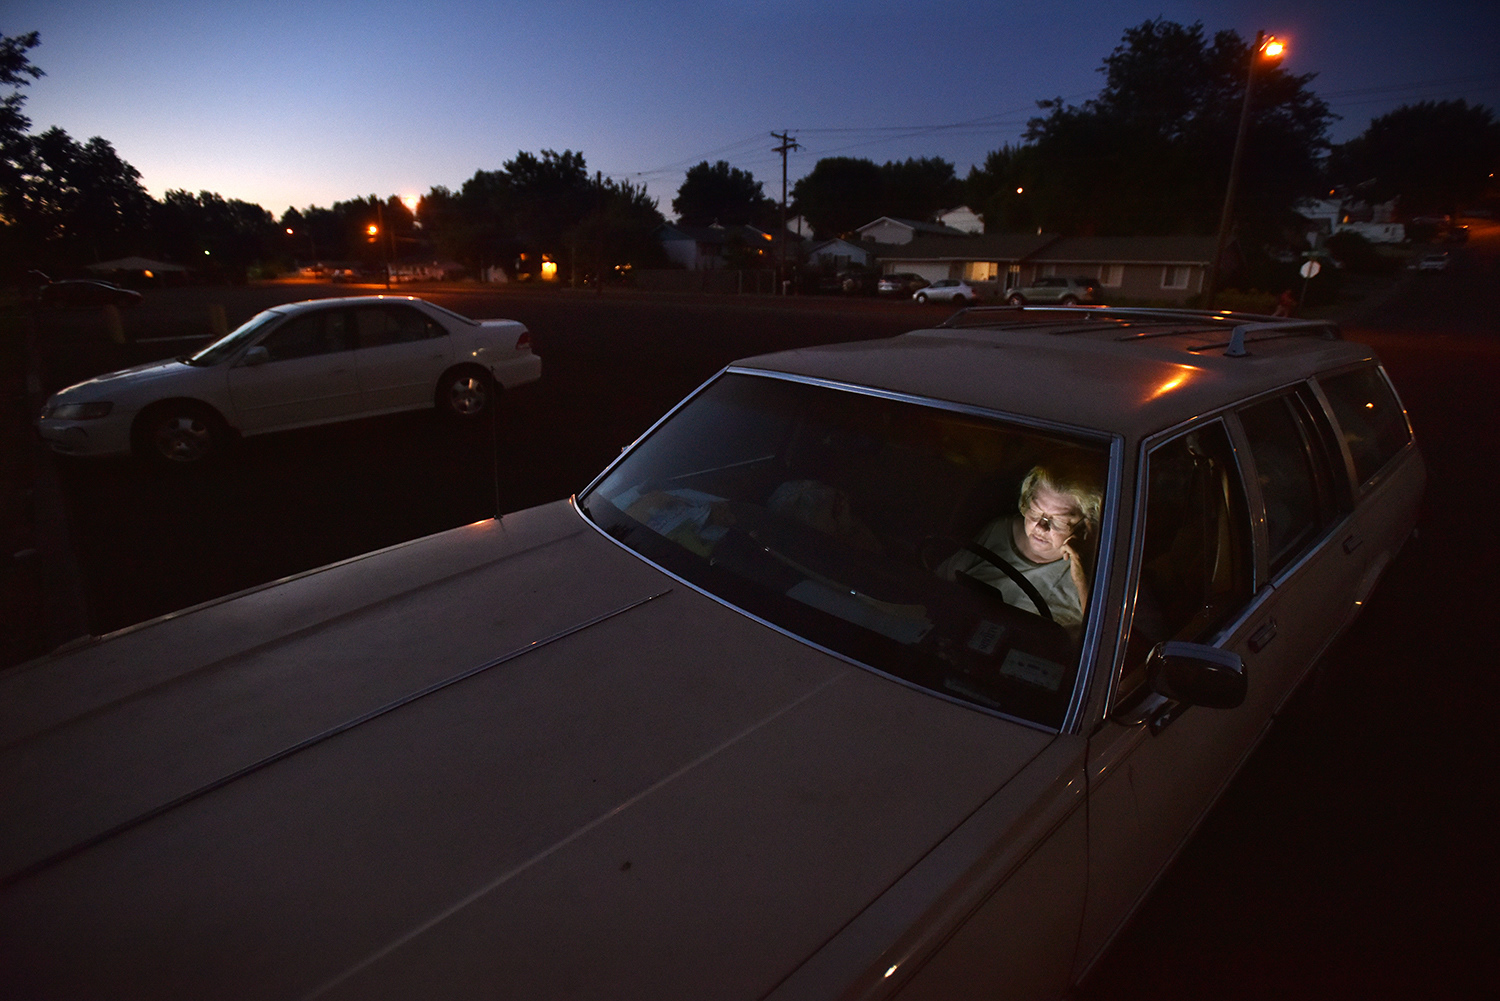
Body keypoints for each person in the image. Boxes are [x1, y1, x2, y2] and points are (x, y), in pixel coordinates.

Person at [939, 455, 1103, 629]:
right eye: (1034, 511)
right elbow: (941, 585)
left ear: (1088, 525)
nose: (1040, 527)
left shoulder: (1094, 570)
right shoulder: (999, 531)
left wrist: (1082, 577)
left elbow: (1103, 635)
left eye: (1059, 521)